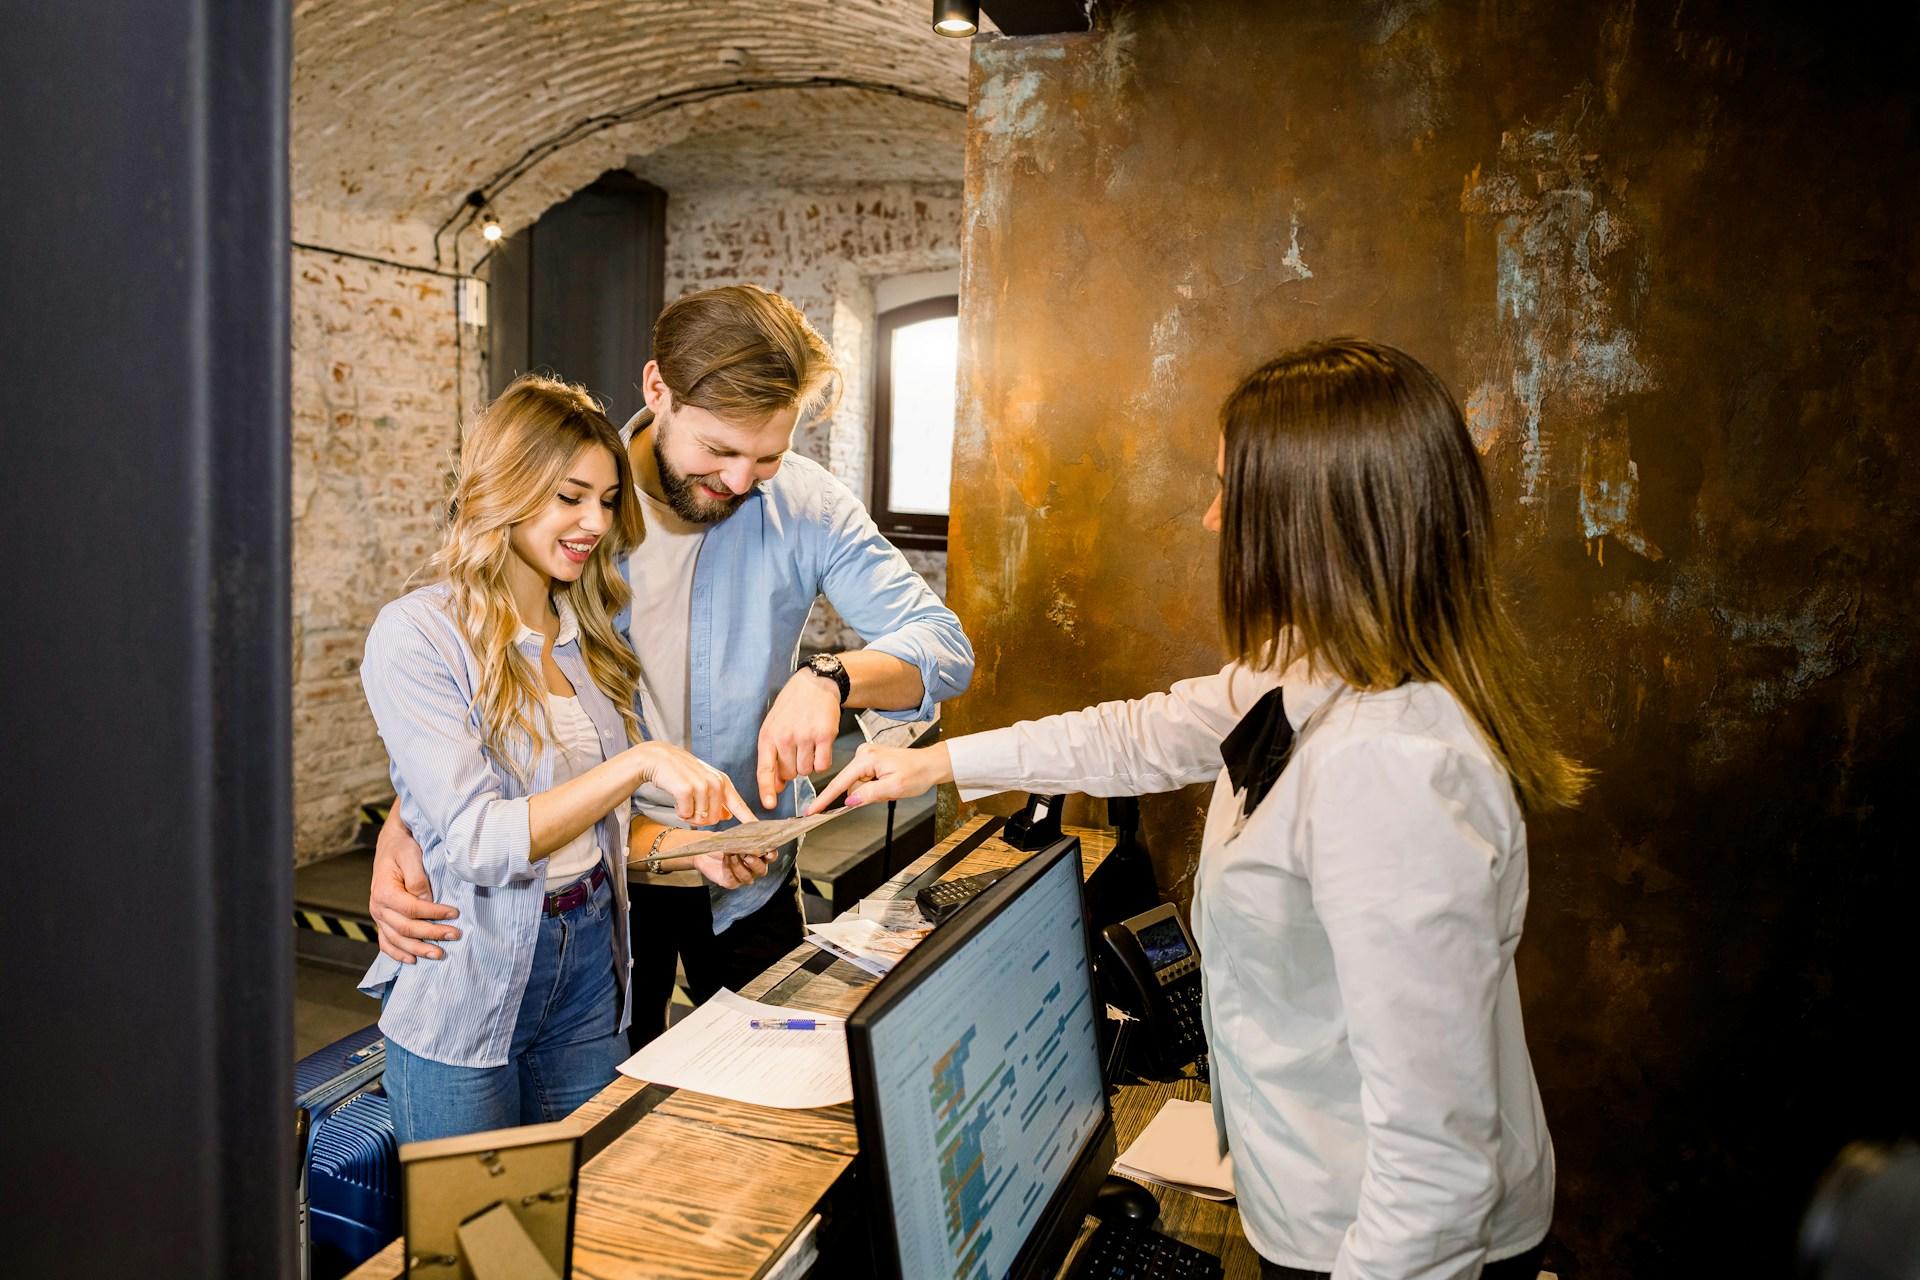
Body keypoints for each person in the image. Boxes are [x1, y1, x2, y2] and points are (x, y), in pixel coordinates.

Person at [811, 339, 1583, 1280]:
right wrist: (938, 765)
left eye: (1233, 492)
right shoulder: (1314, 663)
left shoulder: (1395, 769)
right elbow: (1146, 735)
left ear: (1313, 520)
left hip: (1374, 1244)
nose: (1215, 517)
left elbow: (1438, 1164)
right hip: (1303, 1194)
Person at [369, 286, 976, 1048]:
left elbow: (942, 646)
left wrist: (832, 676)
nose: (740, 481)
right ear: (658, 389)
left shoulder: (809, 506)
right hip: (601, 881)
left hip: (748, 866)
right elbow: (481, 668)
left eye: (767, 457)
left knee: (769, 1090)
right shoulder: (570, 514)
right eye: (719, 451)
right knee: (610, 1113)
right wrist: (411, 815)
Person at [356, 375, 768, 1144]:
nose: (593, 522)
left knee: (585, 1208)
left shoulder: (585, 631)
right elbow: (480, 840)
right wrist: (642, 761)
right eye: (569, 497)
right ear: (508, 488)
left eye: (608, 501)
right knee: (483, 1246)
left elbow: (597, 835)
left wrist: (695, 854)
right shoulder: (417, 634)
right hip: (468, 967)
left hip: (589, 966)